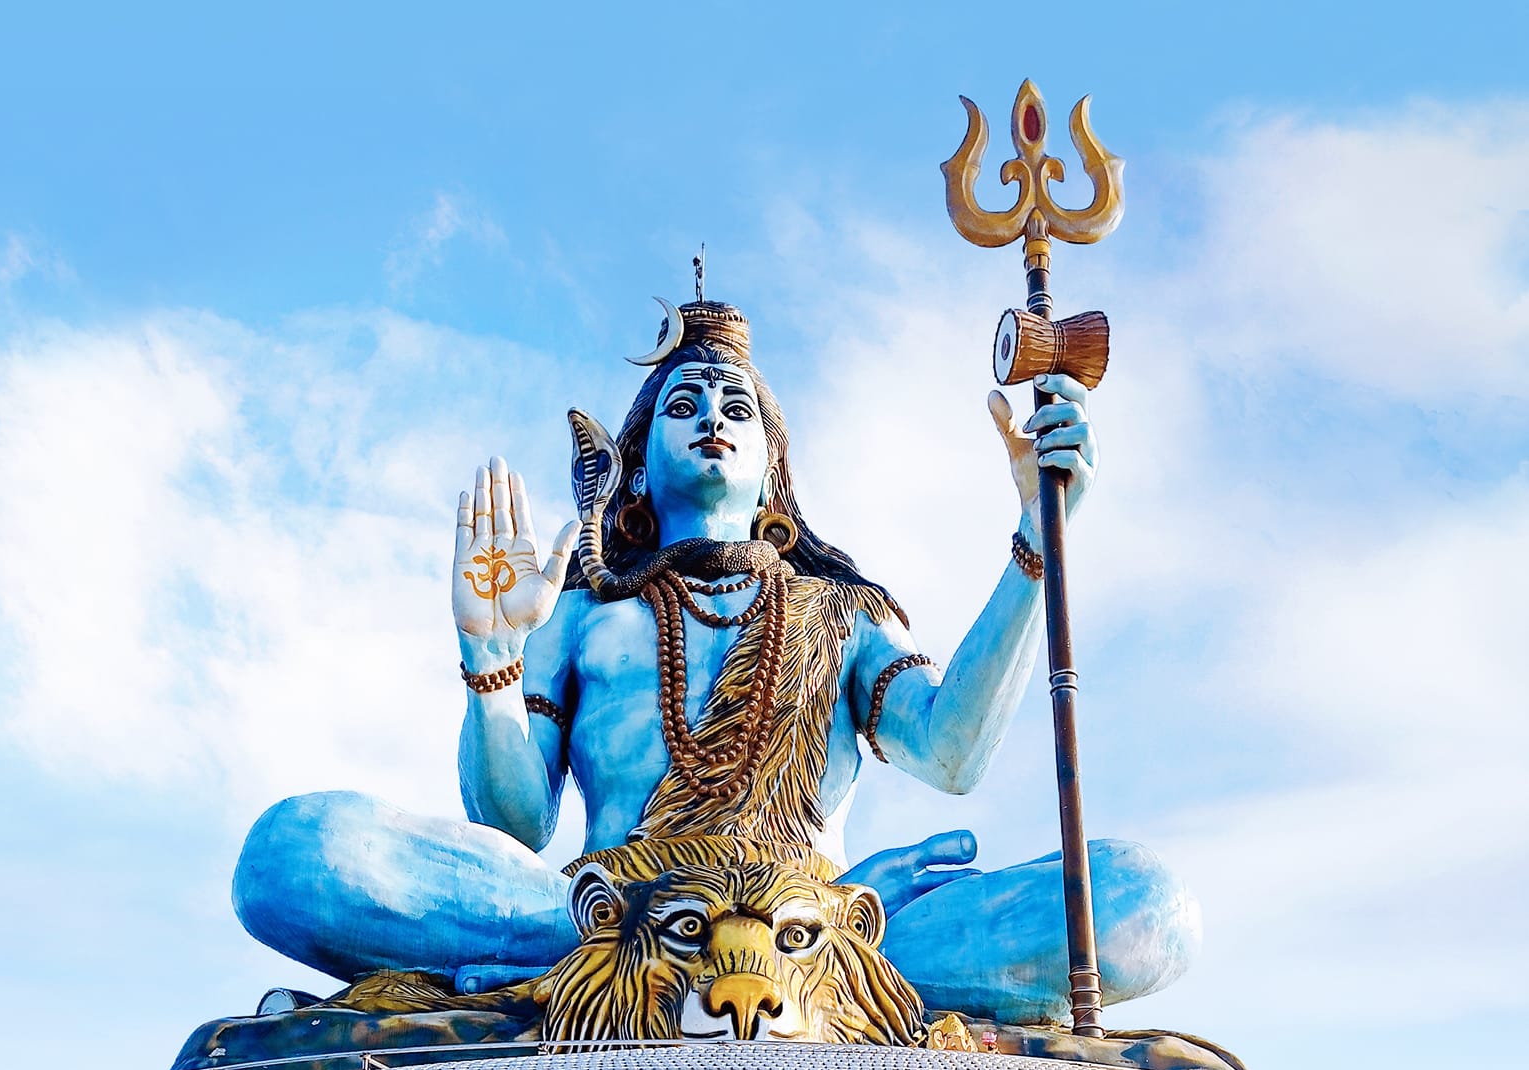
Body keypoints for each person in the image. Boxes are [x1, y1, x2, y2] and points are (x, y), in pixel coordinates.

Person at [233, 298, 1197, 1025]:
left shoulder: (842, 612)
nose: (712, 417)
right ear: (637, 461)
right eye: (684, 403)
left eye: (737, 405)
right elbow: (514, 823)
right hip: (609, 919)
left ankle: (691, 966)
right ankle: (611, 957)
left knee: (1141, 904)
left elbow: (951, 753)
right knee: (291, 854)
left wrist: (1035, 544)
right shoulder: (586, 614)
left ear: (774, 466)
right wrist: (491, 665)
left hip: (816, 934)